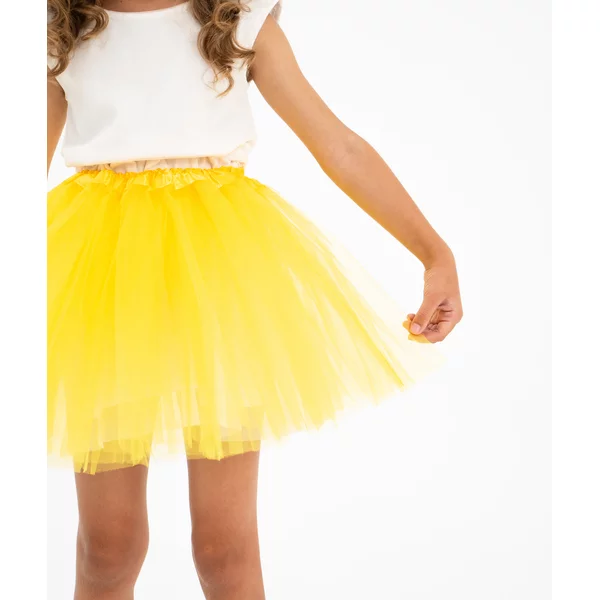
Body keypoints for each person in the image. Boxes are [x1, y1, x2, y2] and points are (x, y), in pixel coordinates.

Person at [47, 1, 463, 598]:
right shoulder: (63, 28)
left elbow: (338, 146)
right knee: (108, 547)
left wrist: (434, 253)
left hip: (221, 275)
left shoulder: (235, 17)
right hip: (101, 280)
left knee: (223, 549)